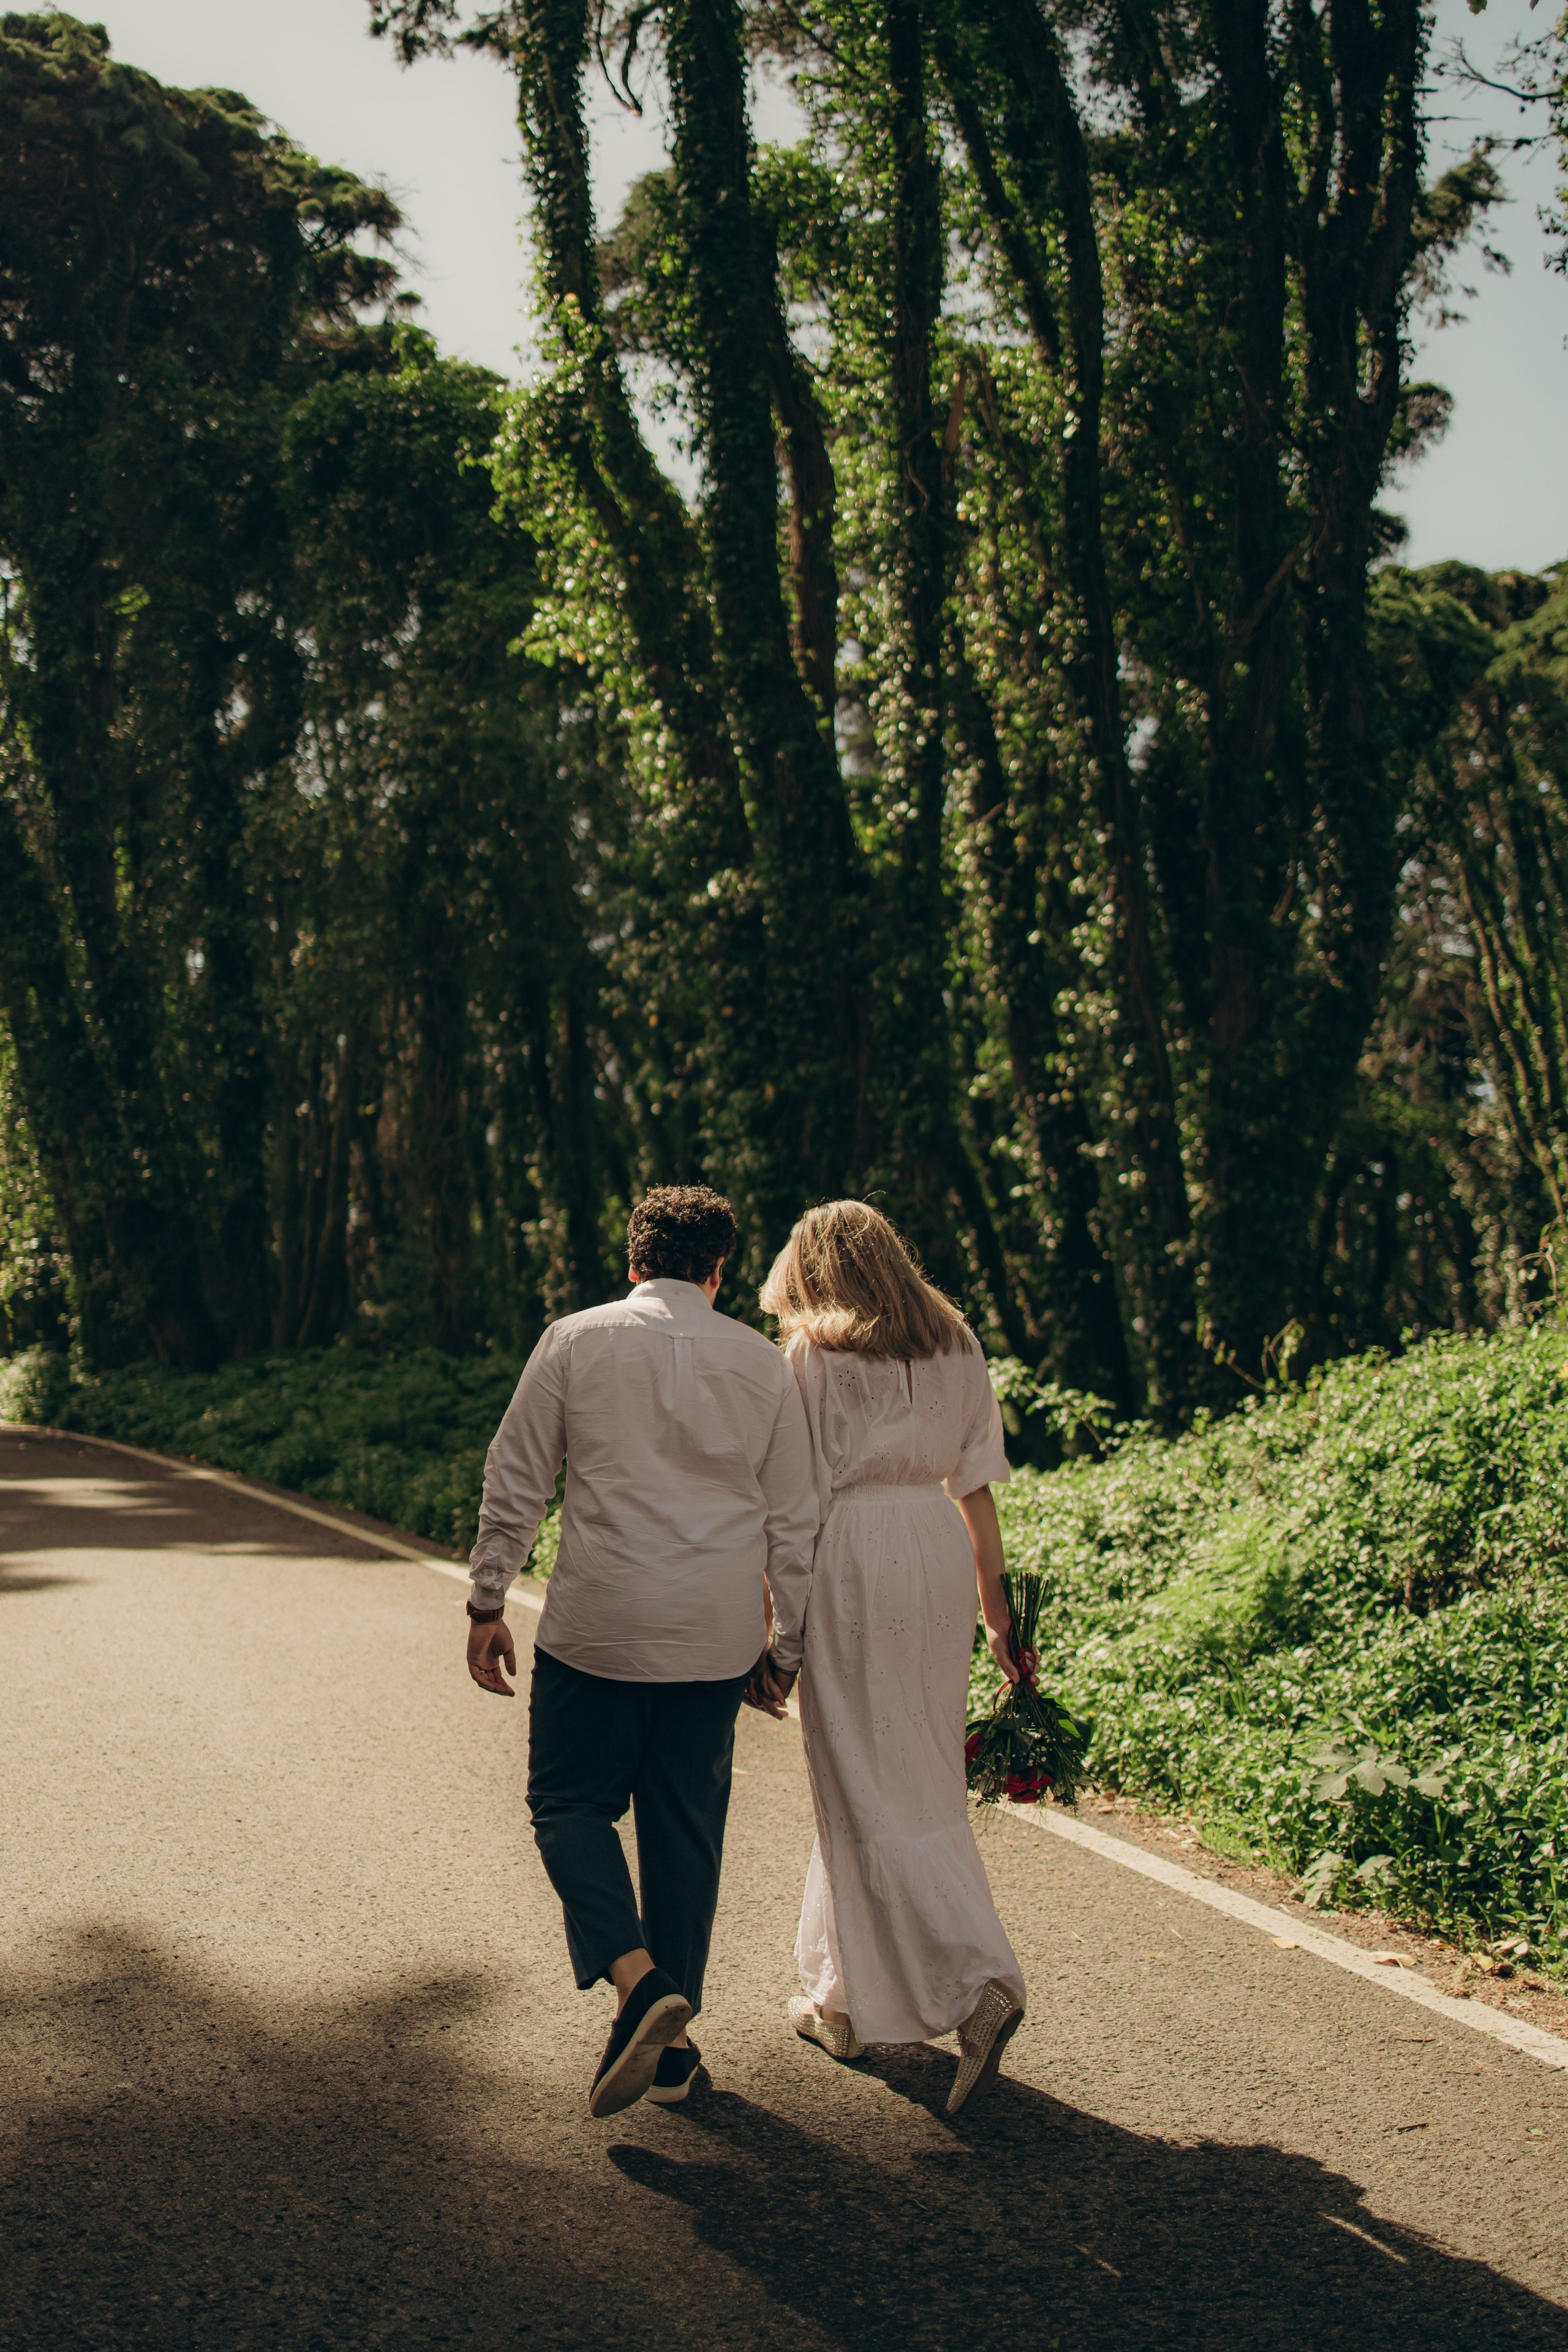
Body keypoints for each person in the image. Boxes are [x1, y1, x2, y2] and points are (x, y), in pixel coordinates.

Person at [464, 1185, 818, 2119]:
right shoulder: (762, 1365)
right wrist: (786, 1647)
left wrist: (489, 1597)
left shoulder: (576, 1340)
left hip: (599, 1628)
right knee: (683, 1836)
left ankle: (639, 1983)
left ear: (632, 1264)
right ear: (719, 1271)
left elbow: (518, 1475)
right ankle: (670, 2035)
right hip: (714, 1641)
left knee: (567, 1805)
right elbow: (795, 1518)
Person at [753, 1200, 1032, 2116]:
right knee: (905, 1776)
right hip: (936, 1554)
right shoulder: (956, 1340)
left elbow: (792, 1504)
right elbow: (979, 1486)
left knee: (862, 1782)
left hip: (853, 1556)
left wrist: (778, 1633)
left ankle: (980, 1975)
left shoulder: (812, 1354)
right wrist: (1001, 1616)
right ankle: (841, 1998)